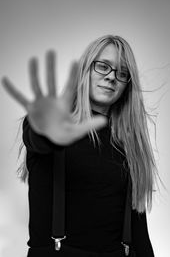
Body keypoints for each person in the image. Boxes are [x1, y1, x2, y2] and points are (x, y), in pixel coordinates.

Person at [2, 35, 157, 256]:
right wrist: (46, 128)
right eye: (103, 67)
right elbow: (38, 139)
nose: (111, 77)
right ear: (85, 70)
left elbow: (139, 232)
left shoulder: (128, 141)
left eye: (122, 73)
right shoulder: (52, 125)